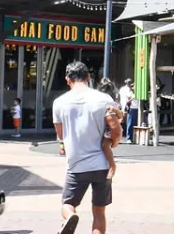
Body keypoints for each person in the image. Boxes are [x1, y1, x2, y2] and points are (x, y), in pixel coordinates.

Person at [53, 61, 122, 234]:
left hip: (76, 165)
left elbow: (61, 135)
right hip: (102, 164)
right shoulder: (104, 99)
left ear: (67, 79)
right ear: (88, 77)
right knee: (99, 212)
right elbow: (116, 129)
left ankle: (70, 216)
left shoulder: (60, 103)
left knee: (68, 204)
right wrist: (112, 143)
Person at [118, 79, 135, 144]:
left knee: (128, 123)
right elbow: (128, 98)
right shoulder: (125, 90)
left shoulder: (131, 89)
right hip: (126, 107)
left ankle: (128, 137)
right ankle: (127, 137)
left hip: (127, 106)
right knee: (125, 123)